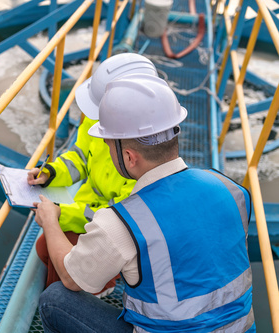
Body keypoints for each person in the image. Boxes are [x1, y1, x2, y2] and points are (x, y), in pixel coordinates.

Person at [34, 73, 255, 332]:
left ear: (129, 157)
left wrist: (50, 221)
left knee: (55, 299)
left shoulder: (122, 222)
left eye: (107, 145)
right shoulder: (231, 189)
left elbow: (72, 279)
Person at [27, 54, 158, 293]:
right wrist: (50, 173)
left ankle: (95, 289)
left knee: (62, 266)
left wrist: (59, 216)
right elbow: (80, 156)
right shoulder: (95, 117)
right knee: (44, 248)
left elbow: (116, 218)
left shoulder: (145, 165)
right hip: (86, 211)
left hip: (108, 225)